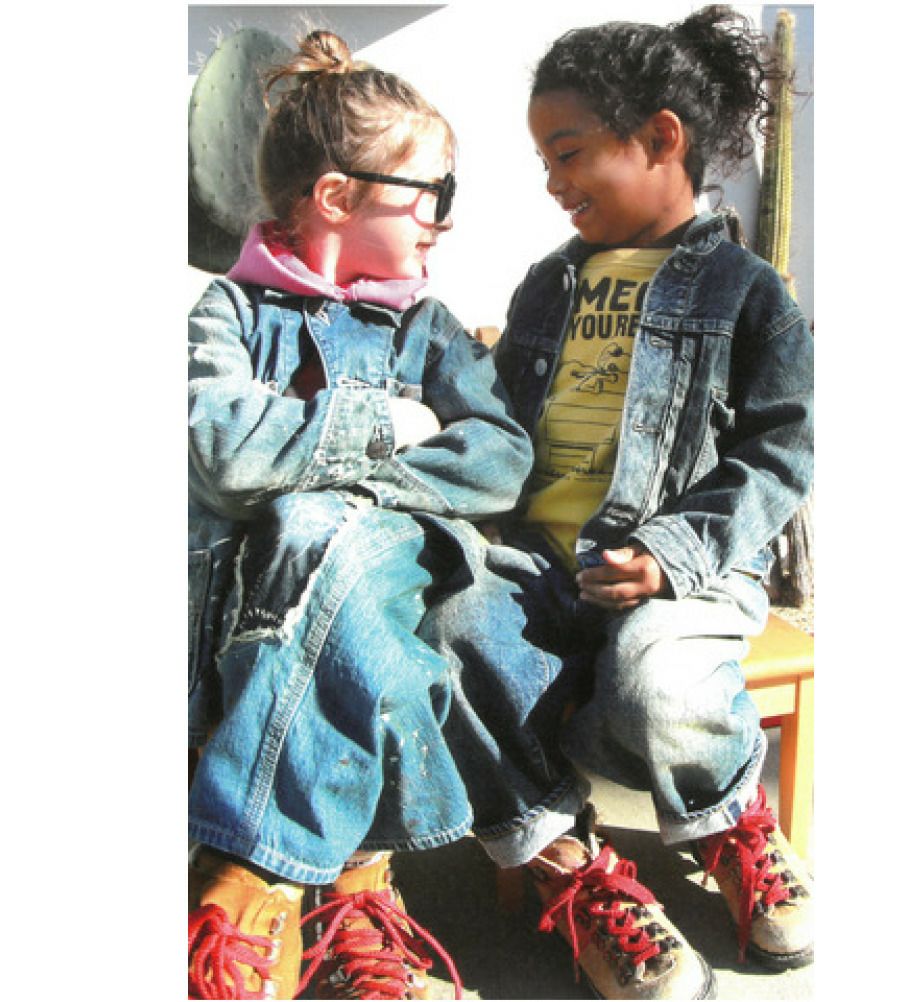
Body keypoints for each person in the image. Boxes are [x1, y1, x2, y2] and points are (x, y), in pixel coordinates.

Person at [420, 7, 814, 999]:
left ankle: (731, 818)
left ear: (660, 138)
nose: (553, 182)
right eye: (544, 162)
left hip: (687, 571)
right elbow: (499, 419)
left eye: (569, 153)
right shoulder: (547, 285)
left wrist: (675, 554)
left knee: (653, 678)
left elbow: (781, 452)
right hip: (541, 564)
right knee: (449, 627)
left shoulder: (748, 293)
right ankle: (567, 859)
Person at [186, 29, 552, 999]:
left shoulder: (427, 328)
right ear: (337, 197)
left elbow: (500, 457)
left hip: (397, 571)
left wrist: (336, 483)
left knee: (324, 529)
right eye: (433, 191)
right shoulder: (227, 313)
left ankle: (247, 879)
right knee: (350, 596)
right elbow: (224, 450)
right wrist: (391, 423)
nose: (445, 219)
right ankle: (356, 899)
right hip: (240, 623)